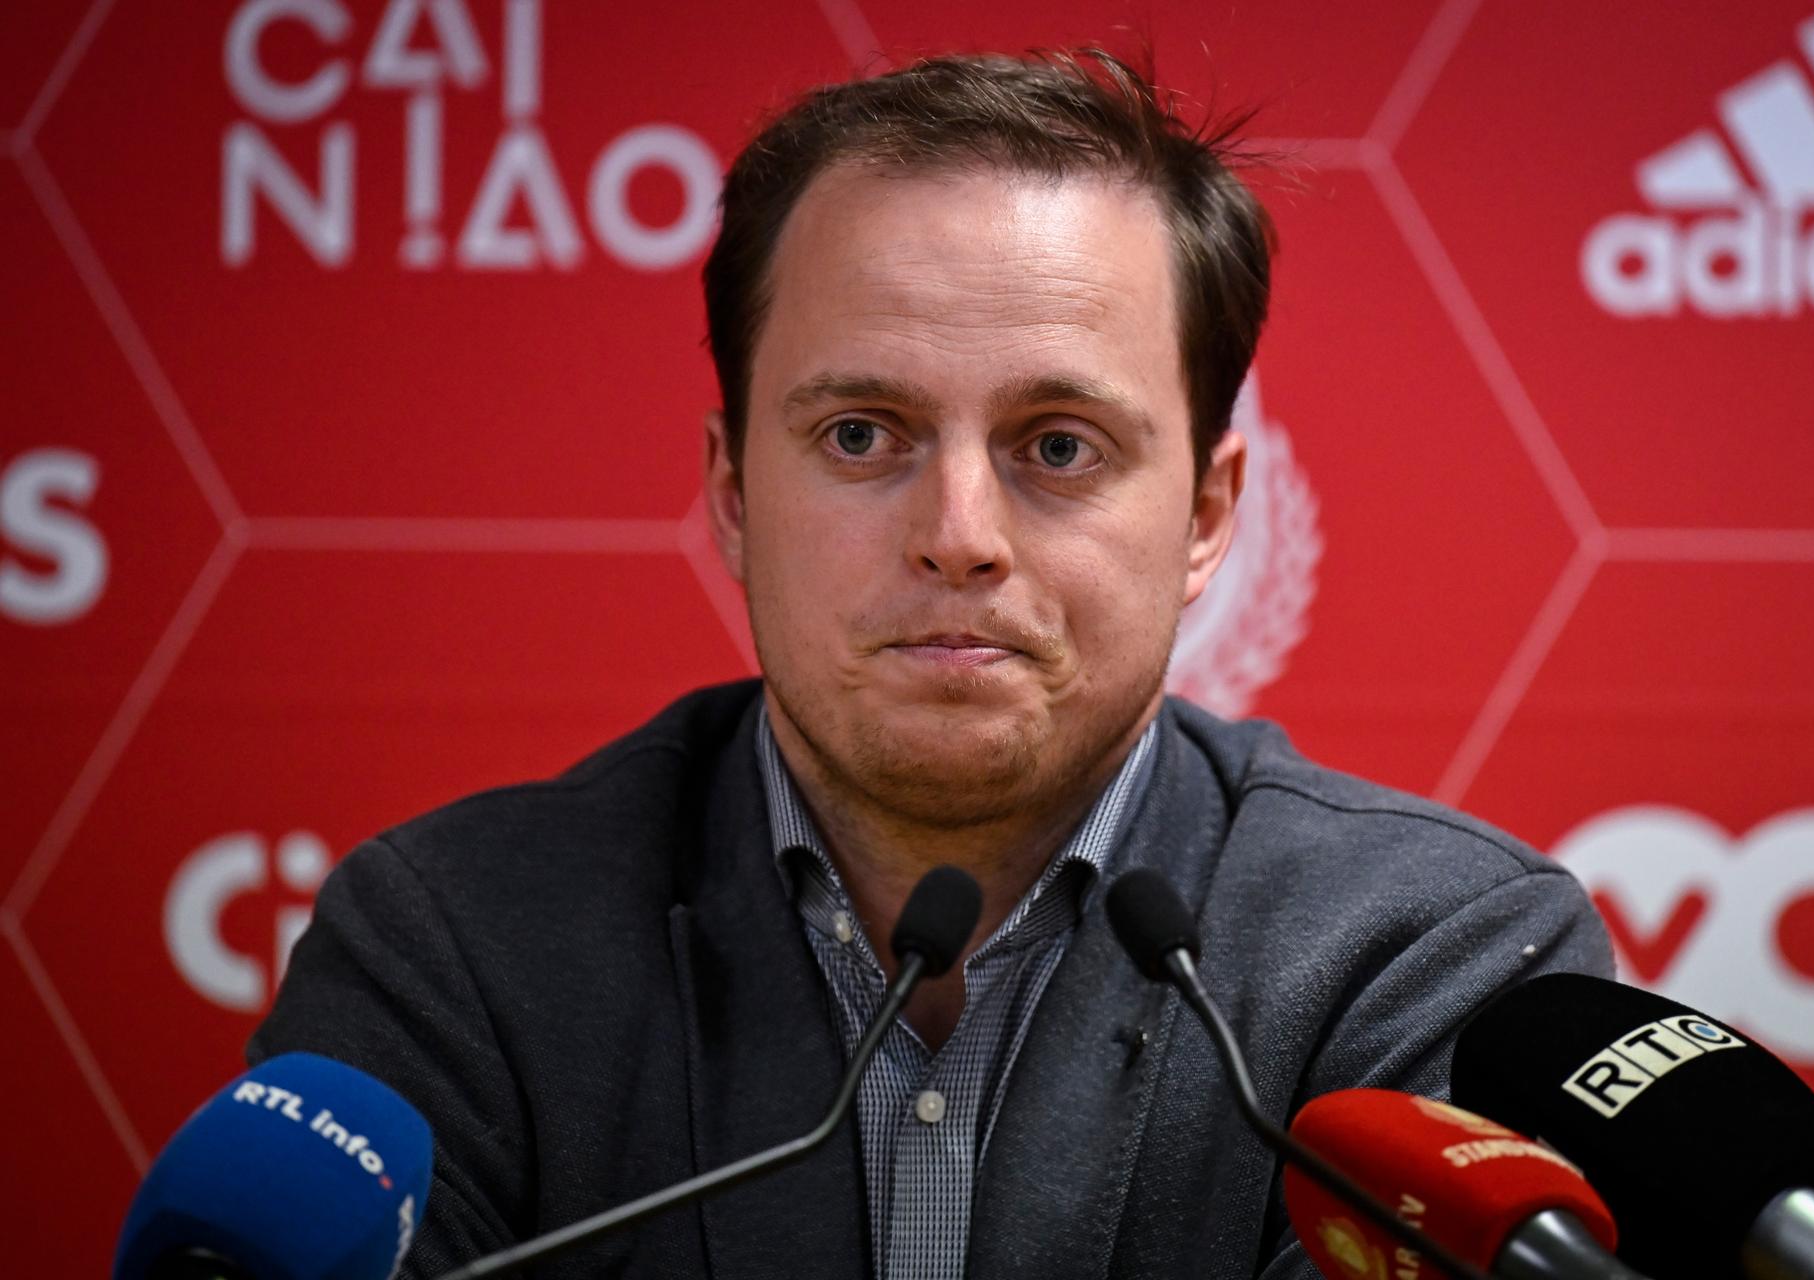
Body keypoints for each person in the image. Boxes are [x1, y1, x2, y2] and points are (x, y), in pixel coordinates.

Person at [251, 49, 1613, 1279]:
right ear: (732, 495)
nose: (960, 537)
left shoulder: (1440, 955)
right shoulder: (457, 947)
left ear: (1206, 513)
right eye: (861, 435)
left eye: (1060, 446)